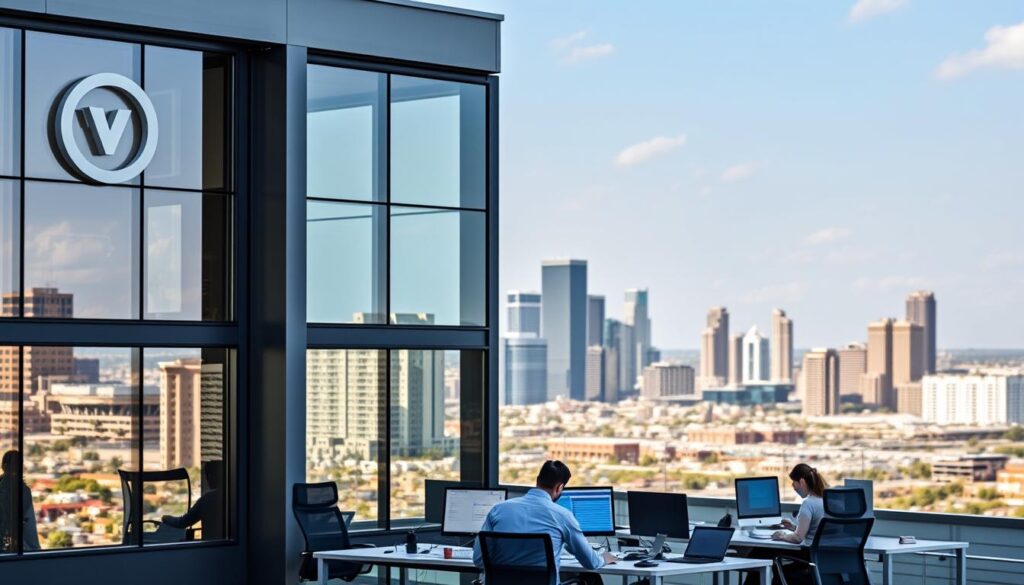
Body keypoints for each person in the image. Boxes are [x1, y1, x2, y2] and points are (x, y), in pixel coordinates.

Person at [473, 460, 617, 585]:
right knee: (591, 579)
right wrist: (604, 558)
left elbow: (479, 559)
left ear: (537, 480)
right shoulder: (563, 515)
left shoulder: (498, 509)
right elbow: (591, 562)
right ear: (559, 487)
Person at [742, 464, 828, 585]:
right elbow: (815, 529)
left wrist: (781, 536)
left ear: (802, 482)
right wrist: (793, 527)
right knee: (763, 553)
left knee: (763, 551)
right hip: (820, 558)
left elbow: (798, 538)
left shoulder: (808, 504)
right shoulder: (825, 500)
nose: (793, 487)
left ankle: (748, 571)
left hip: (807, 555)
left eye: (794, 482)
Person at [161, 460, 224, 540]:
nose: (207, 480)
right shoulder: (234, 496)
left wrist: (165, 518)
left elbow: (182, 522)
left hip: (211, 548)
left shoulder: (207, 499)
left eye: (206, 476)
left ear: (211, 476)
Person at [0, 450, 41, 552]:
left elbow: (28, 522)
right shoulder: (23, 491)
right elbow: (29, 525)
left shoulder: (23, 491)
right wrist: (35, 550)